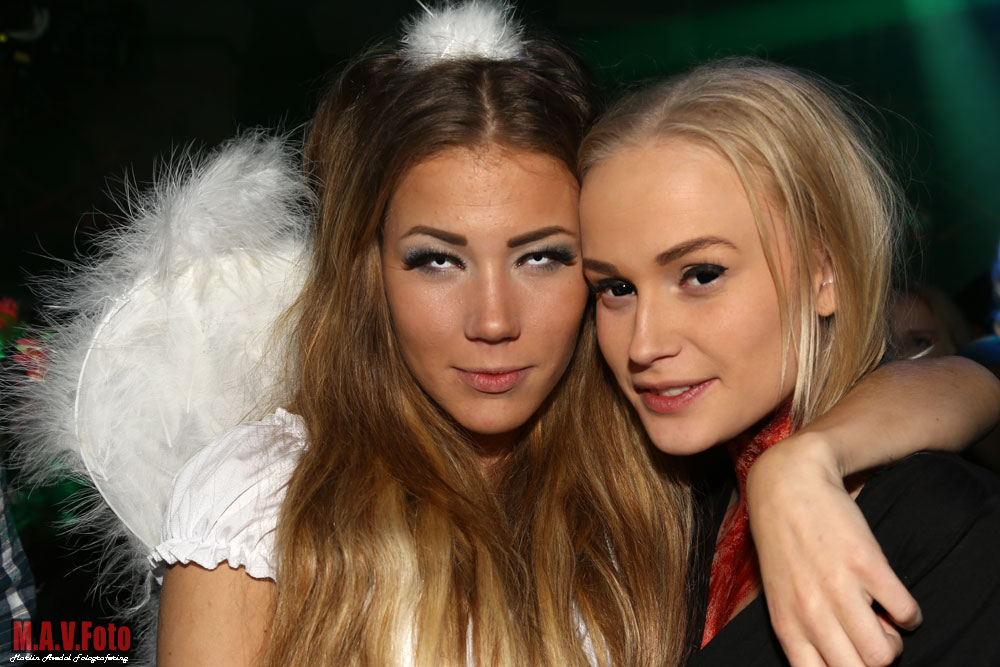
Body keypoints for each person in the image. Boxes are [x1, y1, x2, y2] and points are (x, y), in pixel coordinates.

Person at [6, 4, 996, 667]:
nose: (492, 321)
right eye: (437, 259)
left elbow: (967, 380)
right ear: (368, 273)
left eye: (546, 258)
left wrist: (804, 463)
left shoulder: (650, 476)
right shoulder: (265, 497)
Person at [578, 57, 1000, 666]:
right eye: (615, 288)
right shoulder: (674, 511)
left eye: (701, 274)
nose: (643, 345)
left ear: (825, 272)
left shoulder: (943, 526)